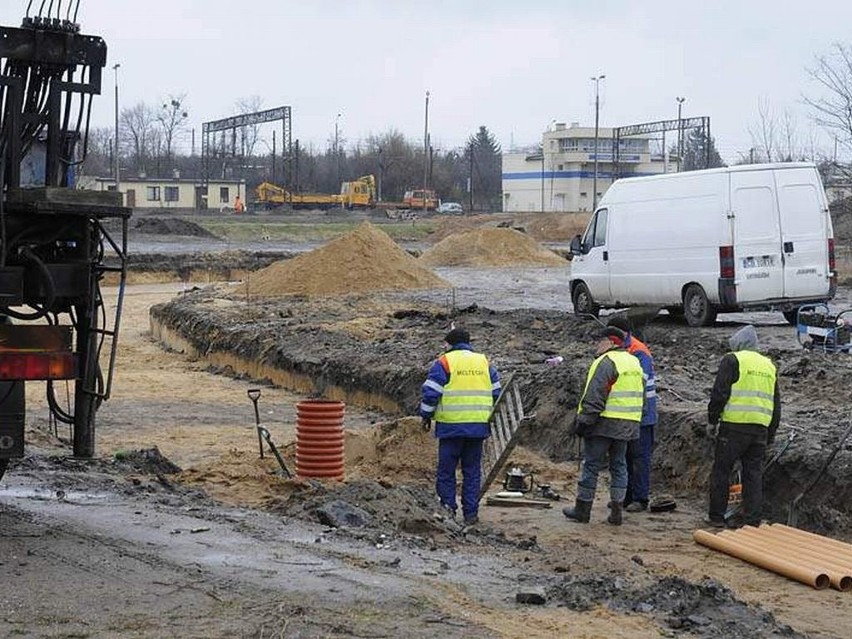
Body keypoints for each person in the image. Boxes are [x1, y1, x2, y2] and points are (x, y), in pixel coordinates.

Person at [420, 327, 501, 527]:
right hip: (477, 427)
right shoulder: (483, 361)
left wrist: (426, 416)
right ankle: (471, 514)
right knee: (472, 471)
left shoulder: (445, 362)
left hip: (451, 427)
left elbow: (431, 392)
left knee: (447, 471)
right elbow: (497, 392)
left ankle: (448, 509)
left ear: (450, 344)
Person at [564, 326, 644, 525]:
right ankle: (617, 511)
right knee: (619, 466)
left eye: (599, 341)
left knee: (591, 465)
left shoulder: (606, 362)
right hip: (628, 425)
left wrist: (584, 422)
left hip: (603, 423)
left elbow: (596, 395)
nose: (596, 345)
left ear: (610, 342)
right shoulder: (634, 362)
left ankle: (582, 510)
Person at [706, 324, 780, 528]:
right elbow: (776, 404)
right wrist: (771, 433)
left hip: (734, 427)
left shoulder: (733, 360)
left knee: (722, 470)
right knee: (753, 475)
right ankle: (752, 519)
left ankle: (716, 516)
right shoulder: (768, 365)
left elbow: (719, 393)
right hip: (760, 430)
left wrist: (712, 420)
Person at [607, 316, 657, 513]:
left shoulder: (639, 351)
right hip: (628, 412)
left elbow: (640, 383)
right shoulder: (623, 349)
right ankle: (626, 496)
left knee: (639, 456)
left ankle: (640, 497)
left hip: (642, 414)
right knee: (625, 456)